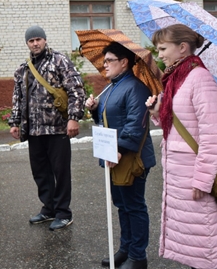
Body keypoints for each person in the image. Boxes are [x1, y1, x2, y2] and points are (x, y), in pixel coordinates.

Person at [146, 24, 217, 269]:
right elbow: (178, 124)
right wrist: (156, 112)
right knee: (193, 245)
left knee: (204, 244)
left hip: (193, 175)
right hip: (179, 174)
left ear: (182, 48)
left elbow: (212, 135)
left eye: (163, 48)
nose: (159, 55)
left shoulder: (199, 78)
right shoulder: (177, 79)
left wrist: (202, 181)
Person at [8, 25, 86, 231]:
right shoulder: (23, 69)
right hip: (34, 131)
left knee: (60, 172)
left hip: (57, 129)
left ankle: (63, 212)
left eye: (38, 39)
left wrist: (74, 118)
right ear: (27, 43)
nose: (35, 43)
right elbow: (18, 97)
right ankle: (48, 208)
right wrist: (15, 122)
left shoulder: (60, 61)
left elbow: (76, 88)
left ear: (45, 40)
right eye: (31, 40)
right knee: (40, 172)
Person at [85, 42, 155, 269]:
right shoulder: (111, 87)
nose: (104, 65)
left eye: (109, 61)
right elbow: (106, 122)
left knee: (134, 206)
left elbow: (136, 124)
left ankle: (138, 256)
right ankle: (125, 249)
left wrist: (120, 150)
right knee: (122, 205)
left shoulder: (135, 87)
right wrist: (95, 109)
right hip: (113, 157)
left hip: (131, 158)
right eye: (104, 61)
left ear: (124, 62)